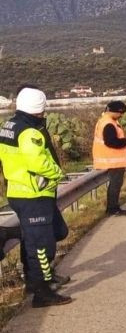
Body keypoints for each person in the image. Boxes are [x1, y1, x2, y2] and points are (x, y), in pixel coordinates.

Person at [0, 87, 73, 306]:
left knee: (47, 235)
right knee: (42, 246)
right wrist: (58, 173)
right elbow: (38, 162)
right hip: (34, 194)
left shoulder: (9, 126)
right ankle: (42, 293)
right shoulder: (29, 132)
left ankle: (36, 281)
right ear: (39, 107)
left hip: (18, 191)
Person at [94, 100, 126, 217]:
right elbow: (110, 142)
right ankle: (113, 208)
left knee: (114, 184)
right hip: (113, 159)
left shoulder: (104, 120)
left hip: (110, 158)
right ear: (115, 112)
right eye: (121, 113)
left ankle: (112, 207)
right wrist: (124, 141)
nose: (122, 115)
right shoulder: (109, 123)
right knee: (115, 185)